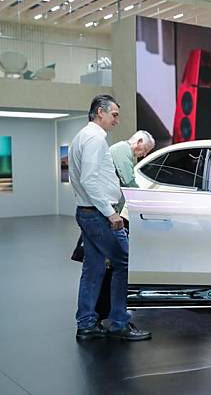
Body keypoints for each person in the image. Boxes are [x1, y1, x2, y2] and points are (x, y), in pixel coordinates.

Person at [69, 94, 151, 341]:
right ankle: (118, 322)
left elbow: (83, 179)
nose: (117, 120)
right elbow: (90, 180)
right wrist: (110, 212)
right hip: (99, 214)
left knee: (93, 268)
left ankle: (86, 323)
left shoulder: (82, 137)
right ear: (100, 113)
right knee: (123, 262)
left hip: (87, 211)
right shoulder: (94, 139)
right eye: (114, 115)